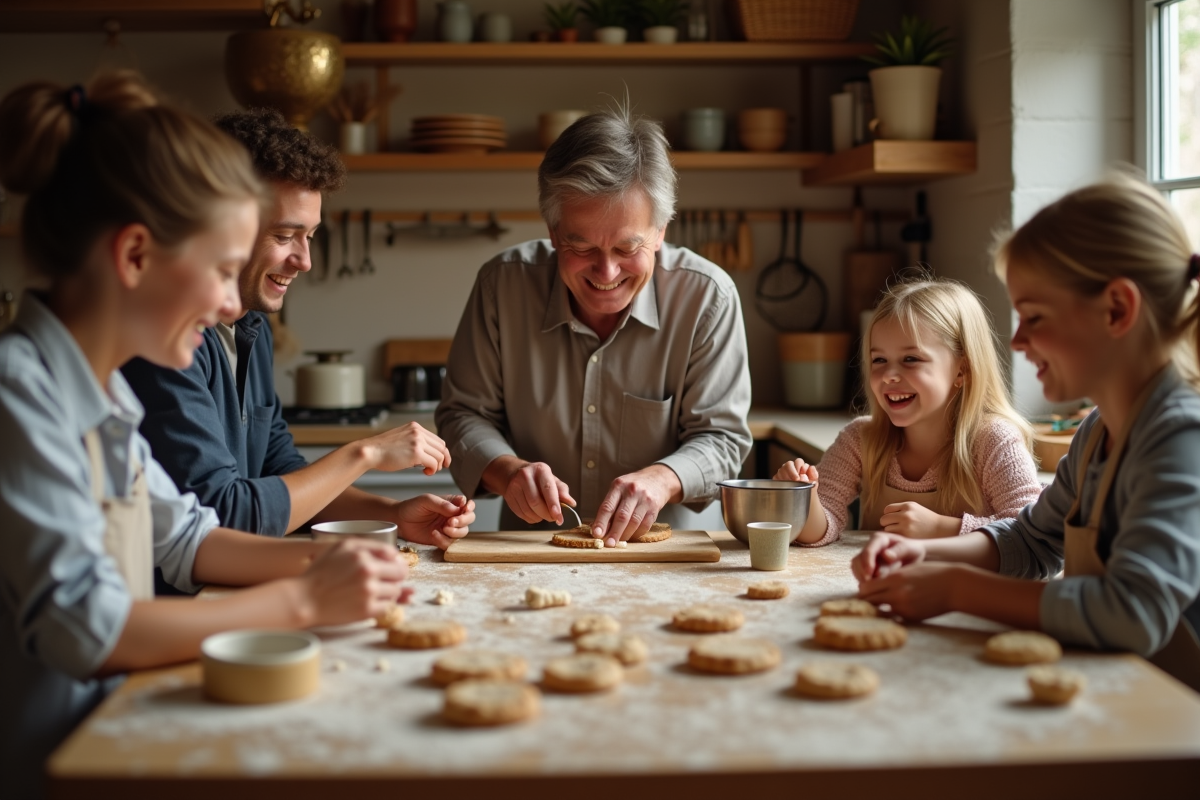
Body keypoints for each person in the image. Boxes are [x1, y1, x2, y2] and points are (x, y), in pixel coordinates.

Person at [0, 73, 410, 799]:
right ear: (134, 257)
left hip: (117, 738)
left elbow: (186, 539)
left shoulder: (105, 391)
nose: (232, 302)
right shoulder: (17, 393)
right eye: (223, 270)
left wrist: (340, 562)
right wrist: (307, 600)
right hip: (44, 766)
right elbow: (87, 630)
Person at [852, 174, 1200, 692]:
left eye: (1034, 316)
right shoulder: (1099, 432)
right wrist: (927, 554)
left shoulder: (1179, 440)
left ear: (1117, 310)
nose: (1016, 341)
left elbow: (1134, 611)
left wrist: (955, 590)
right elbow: (1034, 542)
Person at [122, 108, 474, 552]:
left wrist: (391, 516)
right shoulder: (169, 341)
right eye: (285, 235)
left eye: (310, 235)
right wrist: (363, 454)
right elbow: (225, 515)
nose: (304, 261)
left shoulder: (252, 327)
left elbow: (279, 473)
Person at [435, 105, 752, 546]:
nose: (606, 272)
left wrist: (663, 479)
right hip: (533, 552)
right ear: (552, 229)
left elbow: (722, 439)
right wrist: (507, 471)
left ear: (660, 231)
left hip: (672, 559)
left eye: (627, 247)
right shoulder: (500, 285)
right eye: (579, 245)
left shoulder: (708, 297)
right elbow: (463, 414)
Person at [775, 277, 1042, 544]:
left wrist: (942, 527)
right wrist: (804, 497)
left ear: (962, 370)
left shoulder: (994, 441)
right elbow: (819, 530)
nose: (889, 375)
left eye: (911, 359)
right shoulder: (860, 439)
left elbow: (1031, 532)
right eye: (879, 359)